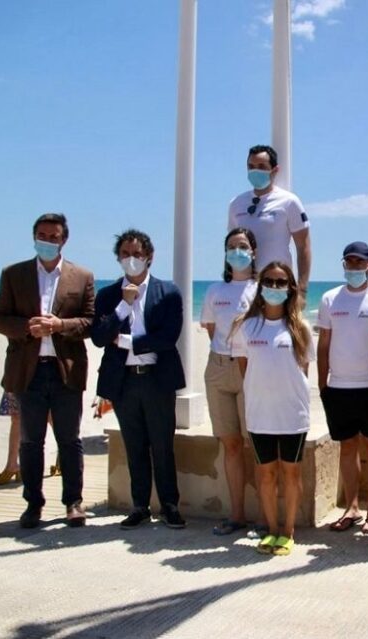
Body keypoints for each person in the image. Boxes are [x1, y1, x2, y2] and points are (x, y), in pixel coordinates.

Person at [0, 212, 95, 528]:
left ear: (64, 239)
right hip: (28, 371)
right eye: (42, 235)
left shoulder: (82, 276)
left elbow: (91, 322)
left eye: (54, 236)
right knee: (30, 441)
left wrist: (60, 325)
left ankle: (73, 503)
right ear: (34, 237)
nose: (48, 241)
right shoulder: (14, 274)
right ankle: (33, 504)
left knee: (70, 439)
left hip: (66, 370)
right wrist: (27, 328)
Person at [91, 229, 187, 530]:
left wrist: (128, 341)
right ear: (119, 258)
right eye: (125, 254)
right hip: (124, 382)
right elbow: (98, 337)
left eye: (137, 254)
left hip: (157, 379)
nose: (131, 259)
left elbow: (168, 337)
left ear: (149, 257)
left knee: (162, 445)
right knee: (134, 445)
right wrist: (123, 305)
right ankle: (140, 506)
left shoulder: (168, 292)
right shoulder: (107, 295)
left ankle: (170, 505)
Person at [237, 261, 315, 556]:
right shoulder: (247, 326)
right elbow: (245, 366)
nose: (274, 287)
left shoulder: (300, 328)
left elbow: (303, 370)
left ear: (290, 288)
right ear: (261, 286)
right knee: (265, 475)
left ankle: (289, 531)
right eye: (268, 281)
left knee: (290, 474)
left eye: (281, 282)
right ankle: (271, 530)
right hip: (260, 416)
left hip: (292, 416)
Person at [317, 242, 368, 535]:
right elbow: (323, 345)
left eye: (360, 263)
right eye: (349, 262)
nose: (354, 268)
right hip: (339, 388)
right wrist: (323, 385)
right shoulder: (329, 298)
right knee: (346, 449)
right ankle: (352, 507)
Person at [200, 228, 259, 536]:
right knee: (232, 444)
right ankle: (236, 515)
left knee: (257, 444)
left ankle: (265, 519)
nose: (238, 251)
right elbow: (211, 329)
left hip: (252, 369)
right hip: (219, 368)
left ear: (254, 251)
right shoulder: (214, 291)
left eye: (243, 246)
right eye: (232, 246)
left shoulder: (262, 288)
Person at [227, 144, 311, 299]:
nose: (255, 171)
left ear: (275, 170)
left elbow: (303, 247)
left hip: (277, 285)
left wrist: (302, 289)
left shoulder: (289, 201)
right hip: (244, 287)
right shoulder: (236, 203)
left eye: (261, 166)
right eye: (251, 166)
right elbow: (231, 246)